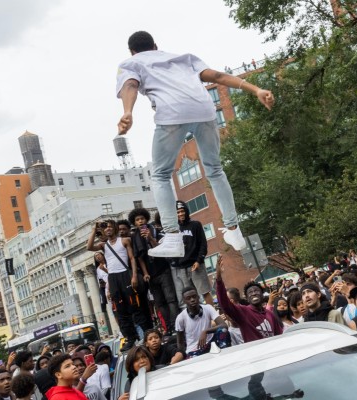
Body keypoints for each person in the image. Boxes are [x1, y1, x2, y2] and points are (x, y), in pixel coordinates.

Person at [116, 31, 275, 256]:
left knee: (161, 174)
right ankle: (233, 229)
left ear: (132, 51)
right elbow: (218, 76)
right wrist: (256, 89)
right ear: (156, 45)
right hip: (204, 110)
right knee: (215, 169)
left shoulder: (129, 63)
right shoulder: (184, 57)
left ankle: (172, 236)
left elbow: (130, 85)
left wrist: (128, 112)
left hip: (172, 114)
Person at [87, 220, 150, 352]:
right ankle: (131, 338)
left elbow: (132, 258)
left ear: (115, 228)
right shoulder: (104, 245)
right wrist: (94, 229)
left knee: (135, 306)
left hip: (125, 274)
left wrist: (133, 276)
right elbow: (89, 247)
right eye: (106, 227)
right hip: (113, 278)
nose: (108, 229)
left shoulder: (125, 240)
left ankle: (146, 334)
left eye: (111, 226)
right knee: (120, 310)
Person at [127, 207, 179, 334]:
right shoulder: (134, 237)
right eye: (137, 220)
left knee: (170, 298)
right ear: (134, 223)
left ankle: (176, 324)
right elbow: (139, 258)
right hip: (151, 274)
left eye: (142, 219)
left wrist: (150, 238)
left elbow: (161, 249)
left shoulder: (155, 230)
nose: (140, 221)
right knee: (159, 302)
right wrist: (145, 273)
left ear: (146, 219)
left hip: (163, 269)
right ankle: (168, 326)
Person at [215, 256, 283, 341]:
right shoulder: (243, 312)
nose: (254, 293)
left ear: (262, 295)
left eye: (256, 291)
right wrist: (218, 277)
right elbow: (225, 304)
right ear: (247, 298)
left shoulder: (270, 315)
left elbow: (280, 337)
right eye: (250, 292)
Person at [170, 201, 213, 306]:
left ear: (186, 211)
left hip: (196, 265)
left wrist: (199, 261)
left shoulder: (195, 225)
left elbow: (203, 244)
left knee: (204, 291)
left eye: (182, 211)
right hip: (182, 268)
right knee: (190, 296)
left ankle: (213, 316)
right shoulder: (174, 229)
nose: (180, 214)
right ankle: (199, 316)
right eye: (178, 212)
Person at [176, 287, 229, 358]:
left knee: (223, 330)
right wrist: (184, 356)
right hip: (194, 349)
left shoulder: (208, 308)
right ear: (184, 301)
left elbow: (224, 325)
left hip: (211, 343)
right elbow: (180, 342)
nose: (192, 300)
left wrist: (206, 331)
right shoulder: (180, 318)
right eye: (188, 298)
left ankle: (225, 356)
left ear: (198, 297)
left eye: (194, 296)